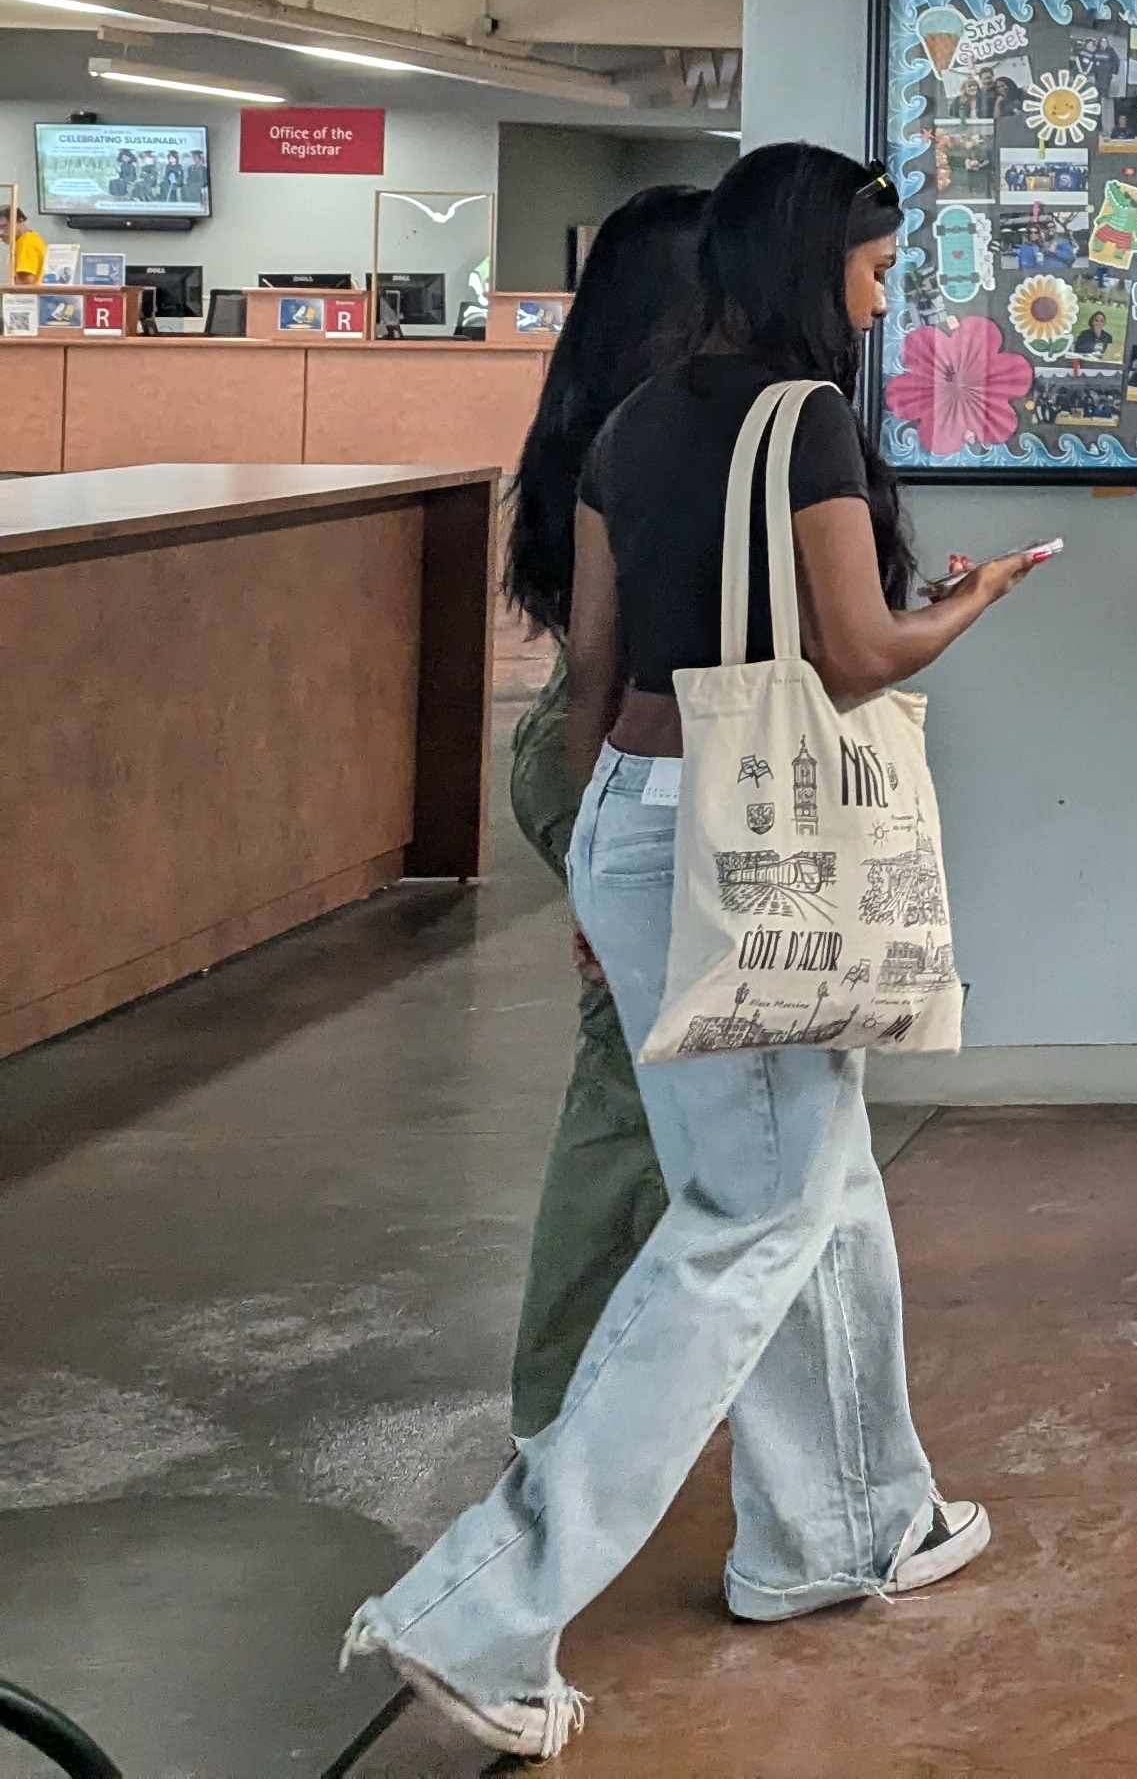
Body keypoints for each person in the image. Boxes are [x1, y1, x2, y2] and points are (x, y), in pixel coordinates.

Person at [347, 145, 1044, 1761]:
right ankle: (484, 1605)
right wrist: (976, 600)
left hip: (636, 820)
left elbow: (592, 676)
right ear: (814, 259)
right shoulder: (808, 419)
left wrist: (603, 882)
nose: (884, 295)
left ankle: (847, 1524)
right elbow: (856, 657)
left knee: (823, 1188)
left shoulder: (637, 424)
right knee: (747, 1221)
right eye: (876, 266)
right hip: (760, 835)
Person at [495, 184, 707, 1440]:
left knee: (657, 1086)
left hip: (600, 760)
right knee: (630, 1091)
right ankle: (563, 1403)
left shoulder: (596, 425)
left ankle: (610, 1386)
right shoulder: (656, 439)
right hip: (616, 762)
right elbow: (602, 670)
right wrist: (598, 847)